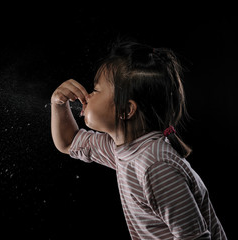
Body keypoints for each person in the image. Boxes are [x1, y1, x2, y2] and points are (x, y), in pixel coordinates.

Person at [51, 41, 227, 240]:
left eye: (96, 90)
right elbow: (69, 142)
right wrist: (58, 104)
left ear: (126, 110)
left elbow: (195, 238)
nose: (88, 96)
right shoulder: (122, 147)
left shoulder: (155, 165)